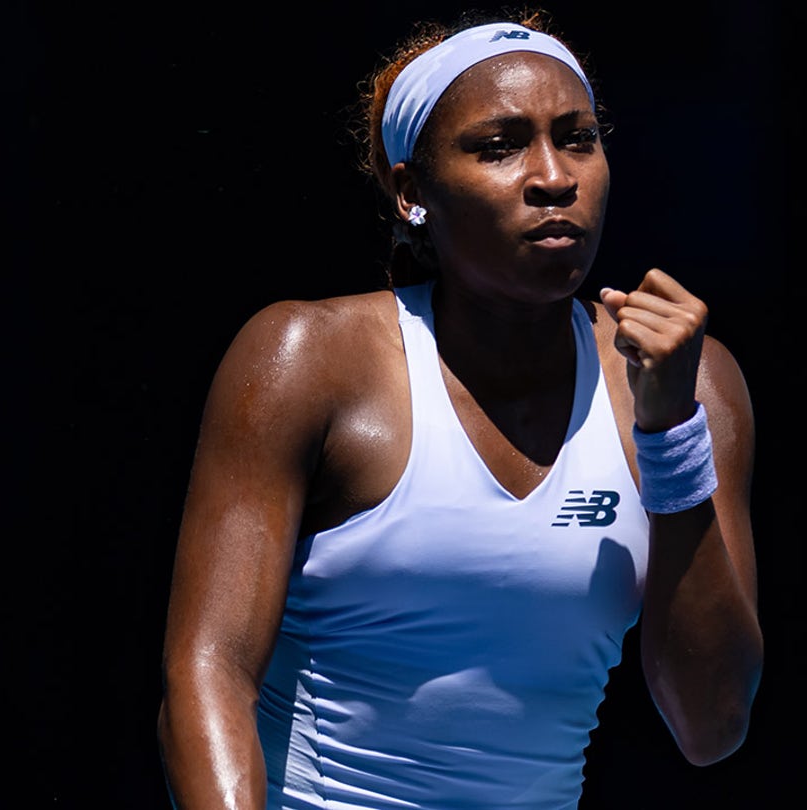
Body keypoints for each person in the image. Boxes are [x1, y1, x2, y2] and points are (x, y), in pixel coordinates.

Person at [157, 8, 763, 808]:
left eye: (578, 138)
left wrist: (669, 434)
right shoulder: (305, 358)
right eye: (501, 146)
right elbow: (208, 674)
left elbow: (712, 726)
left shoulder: (692, 382)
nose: (554, 177)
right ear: (412, 191)